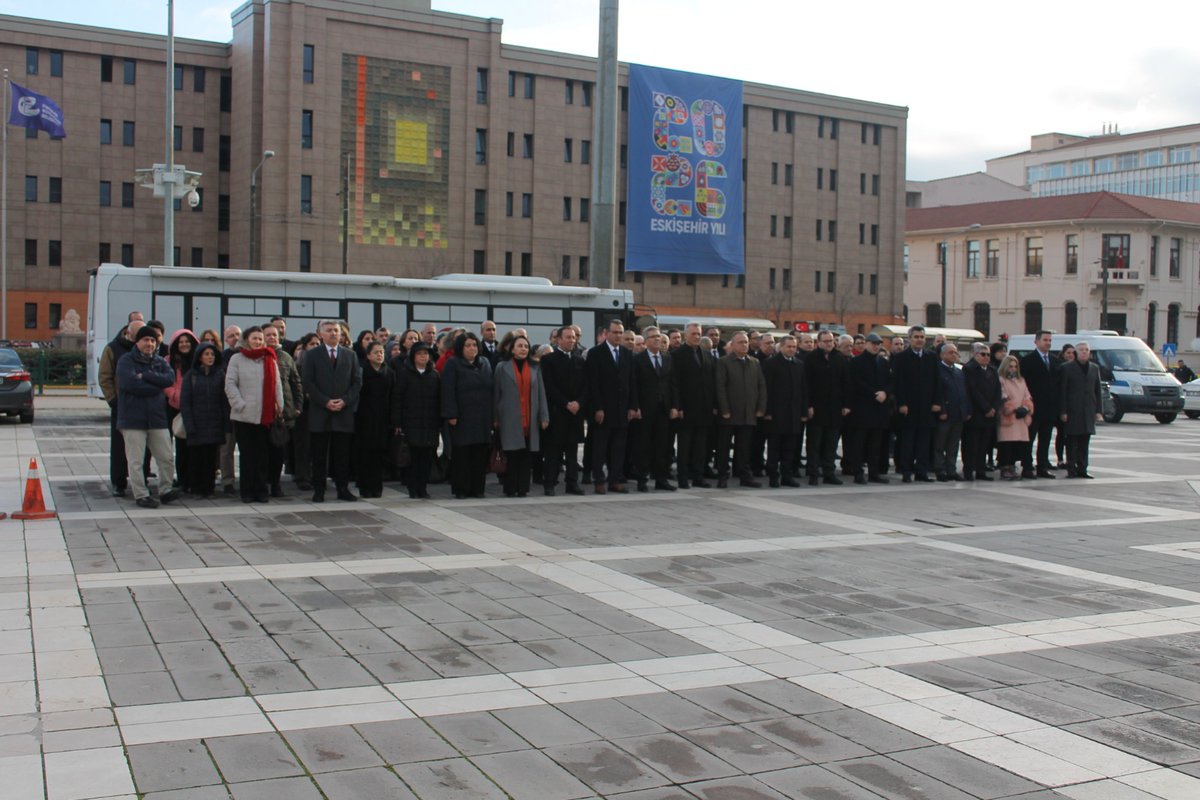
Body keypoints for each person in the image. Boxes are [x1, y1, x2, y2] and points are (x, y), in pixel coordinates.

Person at [116, 325, 181, 508]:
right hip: (132, 419)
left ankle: (166, 490)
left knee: (166, 457)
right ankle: (141, 494)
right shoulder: (126, 361)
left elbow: (168, 380)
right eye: (146, 340)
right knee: (136, 460)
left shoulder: (160, 361)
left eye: (153, 340)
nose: (150, 344)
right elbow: (130, 384)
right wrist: (156, 386)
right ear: (137, 342)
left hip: (157, 418)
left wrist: (144, 375)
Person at [302, 319, 363, 502]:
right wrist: (325, 401)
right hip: (321, 412)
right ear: (321, 334)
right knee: (320, 455)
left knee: (342, 454)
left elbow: (356, 382)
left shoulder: (350, 355)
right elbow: (308, 382)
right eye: (328, 330)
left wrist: (344, 401)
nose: (333, 333)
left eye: (336, 330)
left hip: (343, 412)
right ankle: (319, 490)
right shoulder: (312, 355)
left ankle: (342, 489)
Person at [224, 326, 283, 504]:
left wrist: (279, 406)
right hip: (244, 415)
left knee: (263, 455)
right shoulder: (237, 358)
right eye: (254, 338)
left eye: (260, 339)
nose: (258, 342)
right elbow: (230, 384)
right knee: (247, 455)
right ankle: (247, 491)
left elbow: (277, 385)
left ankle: (261, 490)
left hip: (265, 416)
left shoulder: (269, 358)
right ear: (246, 340)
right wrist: (240, 404)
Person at [586, 319, 638, 494]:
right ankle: (599, 480)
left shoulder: (626, 354)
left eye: (620, 332)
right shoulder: (596, 353)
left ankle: (614, 480)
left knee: (618, 448)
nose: (618, 335)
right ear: (606, 333)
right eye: (615, 332)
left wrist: (633, 406)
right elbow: (593, 383)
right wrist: (598, 408)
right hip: (603, 410)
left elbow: (632, 382)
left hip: (622, 409)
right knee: (600, 448)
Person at [493, 334, 549, 498]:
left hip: (530, 418)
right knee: (512, 455)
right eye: (519, 346)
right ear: (512, 349)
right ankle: (510, 488)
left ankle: (523, 488)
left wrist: (544, 416)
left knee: (526, 456)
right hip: (509, 418)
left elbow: (541, 394)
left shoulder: (535, 368)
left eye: (525, 346)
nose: (523, 349)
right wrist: (495, 418)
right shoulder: (502, 367)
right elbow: (496, 394)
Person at [442, 332, 494, 498]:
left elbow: (491, 390)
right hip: (462, 416)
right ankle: (461, 489)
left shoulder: (485, 363)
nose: (472, 348)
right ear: (461, 348)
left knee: (480, 454)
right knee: (462, 454)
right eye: (468, 345)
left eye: (474, 345)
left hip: (482, 417)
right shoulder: (453, 364)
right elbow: (448, 390)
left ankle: (477, 489)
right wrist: (451, 414)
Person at [540, 326, 588, 496]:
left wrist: (578, 403)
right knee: (553, 450)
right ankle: (550, 483)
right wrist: (566, 403)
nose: (571, 340)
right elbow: (549, 386)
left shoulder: (579, 361)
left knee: (572, 450)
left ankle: (572, 483)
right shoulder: (548, 360)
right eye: (567, 337)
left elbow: (585, 386)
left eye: (573, 337)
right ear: (558, 339)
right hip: (557, 412)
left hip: (575, 413)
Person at [714, 332, 767, 488]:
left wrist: (761, 408)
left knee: (744, 447)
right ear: (733, 344)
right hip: (729, 412)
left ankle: (745, 476)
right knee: (724, 446)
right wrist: (724, 409)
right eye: (740, 342)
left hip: (748, 413)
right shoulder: (724, 362)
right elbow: (720, 387)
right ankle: (722, 475)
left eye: (746, 342)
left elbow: (761, 386)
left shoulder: (754, 362)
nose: (744, 345)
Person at [99, 310, 142, 497]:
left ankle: (142, 480)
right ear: (128, 330)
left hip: (142, 405)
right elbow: (105, 377)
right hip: (121, 405)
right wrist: (113, 400)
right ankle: (119, 482)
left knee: (142, 447)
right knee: (118, 446)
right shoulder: (113, 348)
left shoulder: (145, 347)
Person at [179, 342, 228, 498]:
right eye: (206, 354)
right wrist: (189, 424)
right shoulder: (191, 376)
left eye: (212, 354)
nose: (210, 357)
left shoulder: (220, 375)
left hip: (214, 423)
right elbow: (185, 402)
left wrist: (225, 423)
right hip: (197, 424)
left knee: (210, 459)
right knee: (196, 458)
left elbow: (224, 401)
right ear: (199, 357)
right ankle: (196, 488)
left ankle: (209, 488)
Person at [391, 342, 441, 499]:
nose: (423, 357)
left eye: (426, 354)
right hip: (411, 423)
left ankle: (423, 487)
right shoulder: (405, 373)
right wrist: (397, 422)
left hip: (430, 424)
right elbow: (397, 399)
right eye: (420, 354)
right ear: (413, 356)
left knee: (427, 458)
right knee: (413, 458)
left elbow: (439, 400)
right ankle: (413, 488)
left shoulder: (434, 375)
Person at [891, 325, 939, 482]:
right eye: (916, 337)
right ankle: (906, 471)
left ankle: (922, 471)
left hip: (926, 406)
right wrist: (902, 403)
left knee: (924, 442)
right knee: (908, 441)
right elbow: (898, 382)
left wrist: (936, 402)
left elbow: (936, 381)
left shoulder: (931, 357)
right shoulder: (901, 357)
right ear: (910, 339)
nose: (919, 340)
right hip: (909, 407)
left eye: (922, 337)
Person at [673, 322, 717, 489]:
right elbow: (675, 383)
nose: (697, 337)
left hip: (704, 409)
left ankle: (698, 476)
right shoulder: (678, 355)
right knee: (685, 446)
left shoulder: (706, 354)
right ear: (686, 335)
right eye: (693, 334)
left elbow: (711, 382)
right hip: (686, 409)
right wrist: (679, 407)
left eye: (699, 334)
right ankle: (683, 477)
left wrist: (713, 405)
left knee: (701, 446)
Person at [632, 329, 677, 492]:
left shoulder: (667, 358)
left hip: (663, 409)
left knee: (662, 446)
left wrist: (674, 406)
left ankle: (661, 479)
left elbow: (673, 384)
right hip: (645, 409)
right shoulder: (638, 360)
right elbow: (634, 386)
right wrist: (635, 406)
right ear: (646, 341)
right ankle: (642, 479)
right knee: (643, 446)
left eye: (659, 337)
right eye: (653, 337)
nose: (657, 340)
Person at [804, 330, 850, 486]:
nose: (829, 344)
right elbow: (806, 385)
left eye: (831, 341)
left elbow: (846, 384)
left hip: (835, 409)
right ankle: (813, 473)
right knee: (814, 444)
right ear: (819, 343)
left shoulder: (840, 359)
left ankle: (829, 473)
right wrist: (808, 405)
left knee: (831, 444)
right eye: (825, 341)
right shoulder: (810, 359)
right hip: (816, 409)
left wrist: (846, 405)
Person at [844, 332, 891, 484]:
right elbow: (856, 383)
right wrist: (873, 394)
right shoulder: (857, 362)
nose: (876, 346)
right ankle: (858, 473)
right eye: (873, 343)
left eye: (878, 344)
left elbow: (890, 381)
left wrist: (885, 392)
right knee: (859, 444)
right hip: (862, 409)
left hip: (879, 409)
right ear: (866, 344)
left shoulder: (883, 362)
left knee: (875, 445)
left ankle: (874, 473)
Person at [761, 334, 807, 488]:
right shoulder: (771, 364)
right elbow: (767, 389)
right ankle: (774, 476)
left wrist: (803, 411)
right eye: (789, 346)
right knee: (774, 448)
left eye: (794, 347)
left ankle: (787, 476)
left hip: (793, 414)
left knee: (790, 448)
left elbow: (803, 390)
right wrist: (767, 411)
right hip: (776, 414)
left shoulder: (799, 364)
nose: (792, 349)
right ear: (781, 347)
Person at [264, 322, 303, 497]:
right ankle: (262, 484)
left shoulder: (286, 357)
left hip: (283, 413)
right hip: (262, 413)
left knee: (278, 452)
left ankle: (275, 484)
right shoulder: (257, 356)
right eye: (268, 334)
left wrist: (297, 406)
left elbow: (296, 383)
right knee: (262, 452)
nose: (272, 337)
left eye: (275, 334)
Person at [354, 341, 394, 498]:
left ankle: (377, 487)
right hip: (364, 419)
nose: (379, 355)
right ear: (368, 355)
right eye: (376, 352)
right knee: (365, 454)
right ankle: (365, 487)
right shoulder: (361, 371)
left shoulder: (389, 373)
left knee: (379, 455)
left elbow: (393, 397)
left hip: (383, 419)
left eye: (382, 352)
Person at [1019, 330, 1059, 479]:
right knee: (1029, 439)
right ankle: (1027, 467)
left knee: (1045, 440)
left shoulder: (1055, 361)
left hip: (1049, 408)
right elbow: (1022, 384)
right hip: (1033, 407)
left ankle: (1042, 466)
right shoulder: (1027, 361)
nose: (1048, 343)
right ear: (1036, 342)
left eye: (1050, 340)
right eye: (1045, 340)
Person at [164, 329, 199, 492]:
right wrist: (175, 395)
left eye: (187, 341)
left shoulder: (198, 361)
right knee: (180, 445)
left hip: (194, 408)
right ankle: (183, 480)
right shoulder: (169, 361)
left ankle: (193, 480)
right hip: (175, 407)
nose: (184, 344)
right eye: (181, 342)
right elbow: (166, 383)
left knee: (194, 446)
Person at [1060, 342, 1102, 479]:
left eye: (1087, 350)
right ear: (1076, 353)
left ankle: (1083, 469)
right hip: (1073, 410)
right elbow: (1063, 391)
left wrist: (1098, 411)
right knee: (1072, 442)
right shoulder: (1067, 368)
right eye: (1081, 350)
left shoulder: (1094, 368)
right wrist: (1063, 411)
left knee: (1085, 442)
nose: (1084, 352)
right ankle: (1071, 469)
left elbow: (1097, 391)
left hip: (1088, 410)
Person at [962, 342, 1001, 481]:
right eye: (983, 354)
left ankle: (980, 470)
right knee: (971, 445)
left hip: (990, 414)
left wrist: (994, 408)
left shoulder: (992, 369)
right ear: (975, 354)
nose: (986, 357)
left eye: (988, 355)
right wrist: (985, 407)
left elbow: (997, 390)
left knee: (984, 445)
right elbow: (972, 391)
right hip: (976, 413)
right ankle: (968, 471)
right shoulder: (969, 369)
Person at [932, 343, 968, 481]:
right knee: (940, 444)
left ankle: (951, 469)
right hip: (945, 414)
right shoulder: (938, 371)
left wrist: (966, 410)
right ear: (942, 355)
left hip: (958, 413)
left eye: (955, 352)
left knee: (953, 445)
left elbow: (964, 392)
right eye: (950, 352)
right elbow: (938, 392)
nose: (954, 355)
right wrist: (942, 409)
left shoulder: (959, 371)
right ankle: (940, 470)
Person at [291, 333, 321, 491]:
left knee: (317, 445)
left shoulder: (322, 363)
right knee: (302, 445)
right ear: (304, 347)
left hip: (319, 408)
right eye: (312, 344)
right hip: (302, 409)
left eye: (317, 344)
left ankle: (315, 476)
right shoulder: (297, 364)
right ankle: (302, 476)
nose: (315, 347)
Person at [997, 355, 1035, 481]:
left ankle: (1013, 465)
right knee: (1006, 444)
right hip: (1008, 417)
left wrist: (1025, 407)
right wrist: (1012, 408)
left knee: (1018, 444)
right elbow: (1003, 396)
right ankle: (1005, 468)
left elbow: (1027, 395)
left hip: (1021, 417)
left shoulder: (1021, 380)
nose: (1013, 369)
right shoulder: (1001, 379)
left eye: (1015, 366)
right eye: (1010, 366)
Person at [218, 324, 243, 495]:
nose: (235, 338)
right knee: (226, 449)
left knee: (247, 448)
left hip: (246, 409)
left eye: (238, 334)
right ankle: (227, 481)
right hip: (227, 410)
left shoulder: (249, 355)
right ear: (226, 340)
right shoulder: (221, 358)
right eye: (231, 336)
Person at [1054, 344, 1076, 469]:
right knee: (1061, 434)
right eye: (1068, 353)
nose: (1070, 355)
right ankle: (1060, 459)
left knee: (1072, 436)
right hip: (1062, 407)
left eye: (1073, 353)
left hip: (1073, 408)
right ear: (1063, 354)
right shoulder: (1060, 367)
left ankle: (1071, 459)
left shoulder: (1076, 367)